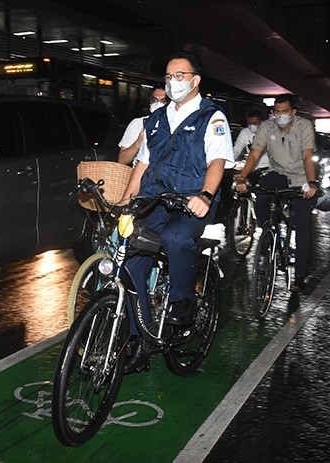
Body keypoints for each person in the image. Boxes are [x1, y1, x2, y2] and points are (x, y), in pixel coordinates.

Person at [120, 50, 233, 372]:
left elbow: (217, 162)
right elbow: (142, 164)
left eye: (180, 76)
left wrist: (206, 195)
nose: (173, 82)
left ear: (195, 80)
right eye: (168, 77)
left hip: (191, 198)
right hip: (156, 198)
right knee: (130, 261)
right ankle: (138, 341)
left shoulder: (212, 117)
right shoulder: (155, 120)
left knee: (176, 236)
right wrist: (129, 201)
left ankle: (183, 301)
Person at [234, 94, 319, 292]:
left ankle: (299, 277)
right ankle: (270, 234)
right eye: (277, 112)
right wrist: (242, 177)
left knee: (302, 224)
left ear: (293, 112)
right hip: (278, 173)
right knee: (261, 199)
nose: (280, 115)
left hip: (302, 177)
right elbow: (254, 153)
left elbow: (308, 155)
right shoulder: (267, 127)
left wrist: (312, 182)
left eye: (285, 112)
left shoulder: (304, 126)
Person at [117, 87, 169, 165]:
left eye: (163, 101)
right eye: (154, 100)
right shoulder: (138, 124)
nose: (158, 104)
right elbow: (122, 160)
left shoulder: (176, 125)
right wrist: (138, 142)